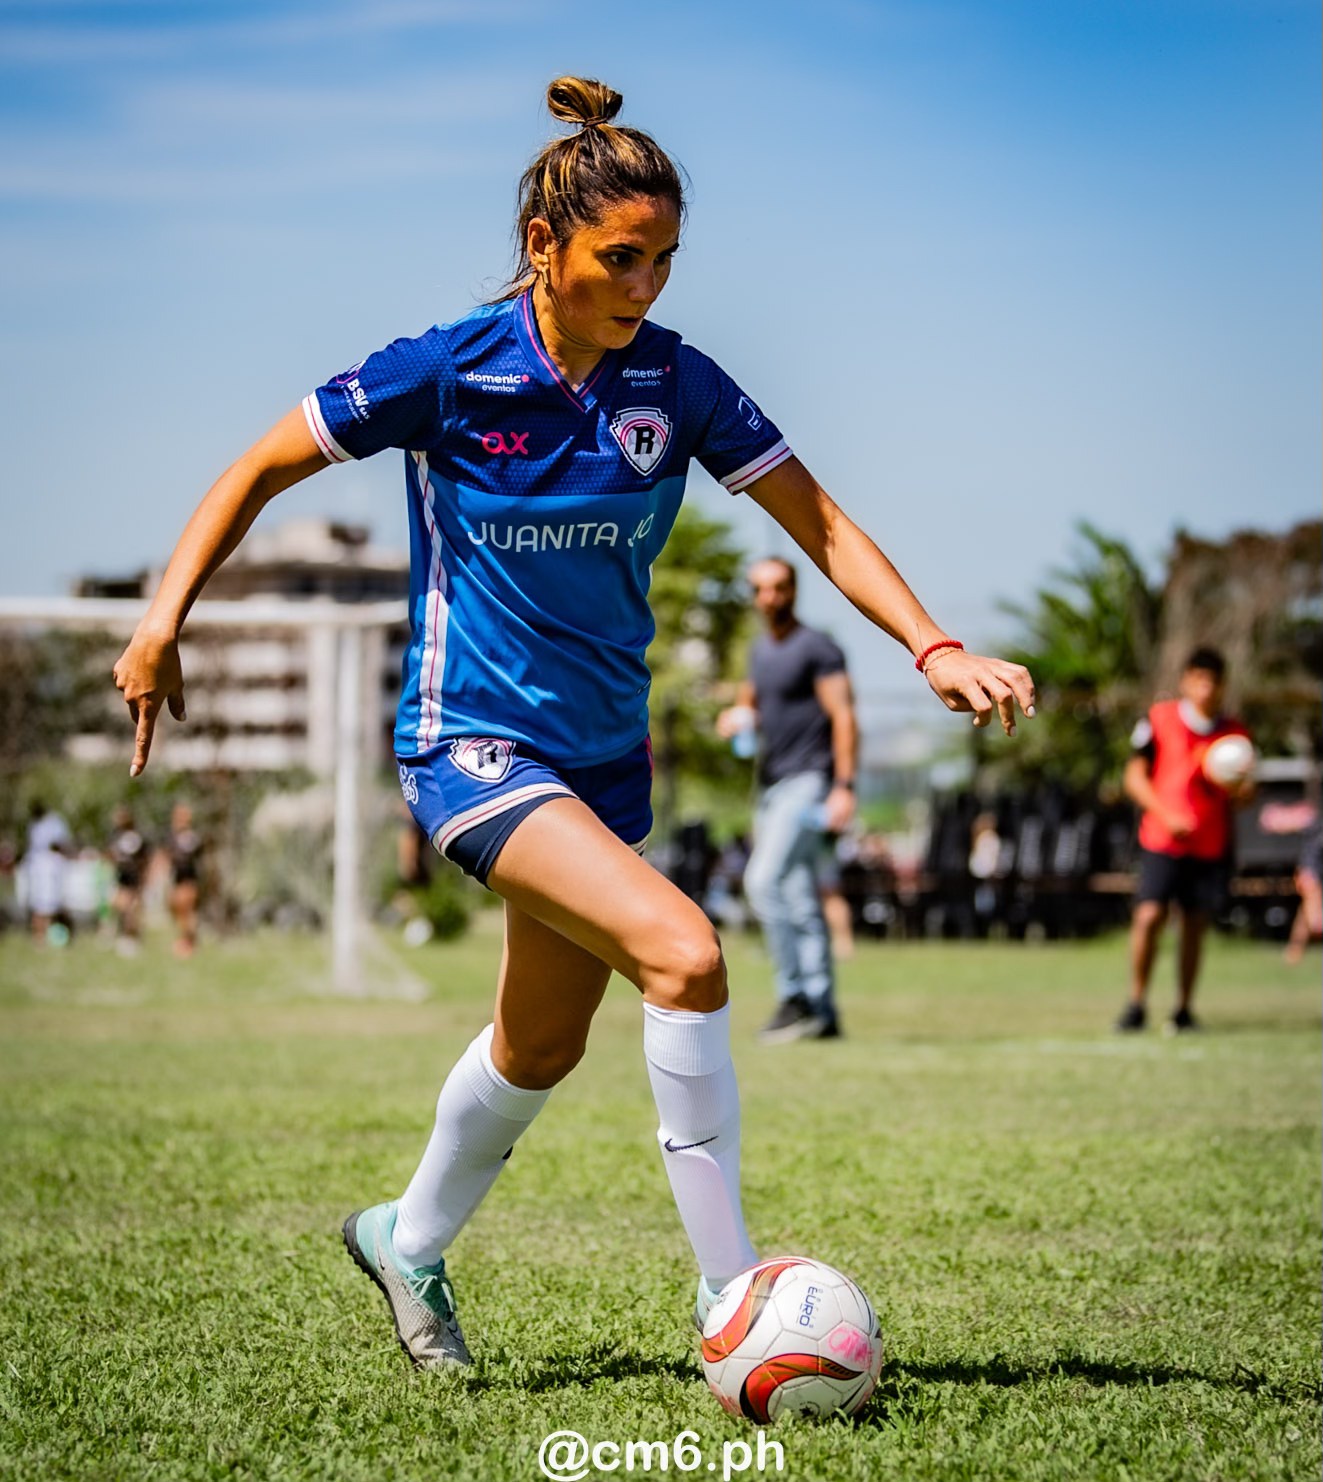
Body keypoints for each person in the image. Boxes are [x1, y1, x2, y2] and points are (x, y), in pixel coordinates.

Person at [112, 76, 1035, 1372]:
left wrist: (929, 642)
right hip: (468, 742)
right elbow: (259, 462)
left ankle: (402, 1237)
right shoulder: (447, 369)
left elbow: (815, 520)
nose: (644, 282)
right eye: (619, 256)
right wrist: (163, 621)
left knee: (541, 1042)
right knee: (686, 952)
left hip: (602, 757)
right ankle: (731, 1299)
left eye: (662, 258)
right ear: (543, 246)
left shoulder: (678, 382)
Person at [717, 557, 858, 1041]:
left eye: (778, 588)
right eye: (760, 589)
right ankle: (822, 1011)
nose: (769, 597)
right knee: (797, 894)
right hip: (772, 785)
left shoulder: (817, 648)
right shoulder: (759, 652)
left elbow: (843, 716)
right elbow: (748, 703)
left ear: (794, 590)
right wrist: (736, 717)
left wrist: (845, 787)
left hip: (810, 782)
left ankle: (795, 996)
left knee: (763, 881)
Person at [1115, 647, 1253, 1034]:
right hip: (1161, 840)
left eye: (1213, 681)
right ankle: (1136, 1003)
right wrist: (1165, 814)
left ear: (1222, 686)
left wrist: (1244, 791)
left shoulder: (1235, 735)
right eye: (1198, 679)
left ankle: (1184, 1009)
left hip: (1209, 844)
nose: (1205, 688)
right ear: (1185, 681)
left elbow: (1243, 792)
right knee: (1149, 915)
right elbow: (1134, 777)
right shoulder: (1159, 720)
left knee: (1195, 924)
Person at [23, 801, 72, 945]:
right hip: (37, 868)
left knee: (51, 904)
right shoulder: (33, 824)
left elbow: (60, 843)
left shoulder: (54, 822)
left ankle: (51, 935)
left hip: (51, 867)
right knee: (38, 904)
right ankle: (39, 935)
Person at [108, 804, 150, 954]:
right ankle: (120, 934)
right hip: (121, 877)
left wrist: (143, 877)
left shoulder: (136, 837)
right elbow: (111, 855)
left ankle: (131, 937)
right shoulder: (115, 836)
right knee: (118, 906)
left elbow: (144, 858)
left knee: (131, 909)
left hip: (134, 878)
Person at [166, 802, 204, 958]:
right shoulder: (173, 837)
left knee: (187, 912)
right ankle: (185, 940)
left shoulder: (191, 838)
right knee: (177, 911)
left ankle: (189, 943)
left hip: (188, 880)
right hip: (176, 880)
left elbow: (191, 858)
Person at [1283, 820, 1321, 966]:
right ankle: (1294, 952)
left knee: (1304, 917)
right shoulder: (1316, 825)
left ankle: (1294, 951)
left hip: (1313, 875)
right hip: (1310, 875)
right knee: (1314, 923)